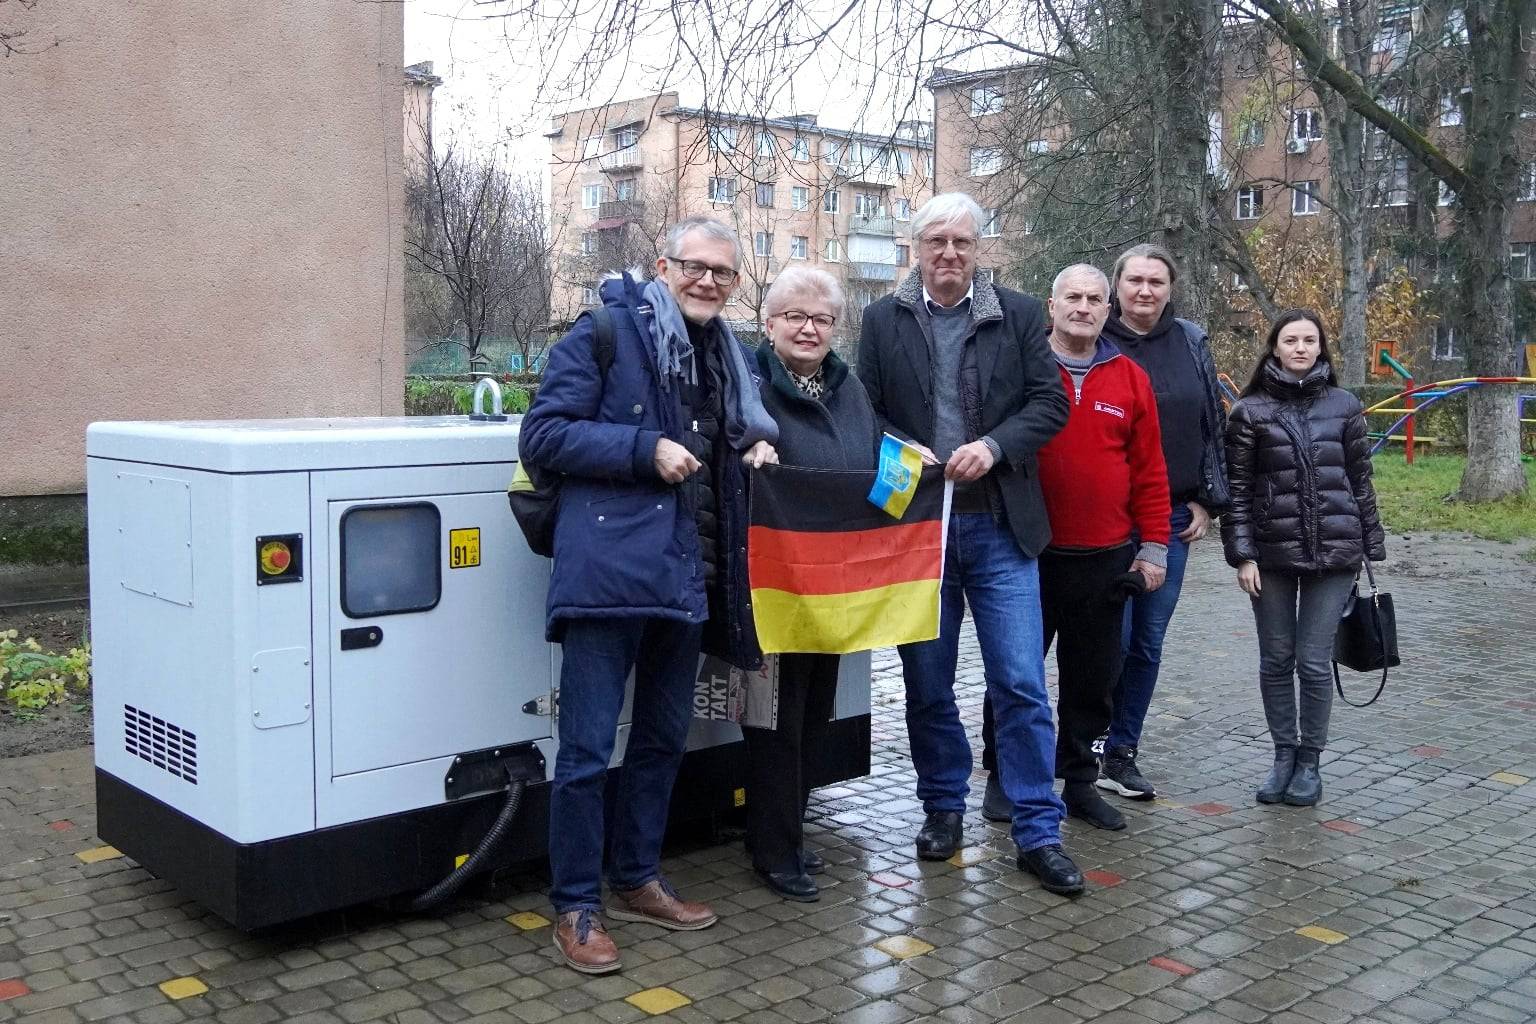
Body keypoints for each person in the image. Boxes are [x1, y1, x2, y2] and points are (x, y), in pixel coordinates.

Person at [519, 216, 779, 974]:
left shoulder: (728, 355)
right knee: (586, 750)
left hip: (687, 578)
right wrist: (640, 449)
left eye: (721, 273)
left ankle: (637, 878)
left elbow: (726, 437)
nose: (706, 281)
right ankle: (574, 906)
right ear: (663, 266)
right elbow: (543, 435)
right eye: (693, 266)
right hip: (608, 580)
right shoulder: (604, 332)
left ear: (735, 283)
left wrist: (753, 441)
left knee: (664, 741)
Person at [857, 192, 1082, 896]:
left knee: (1019, 683)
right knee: (928, 685)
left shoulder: (1015, 314)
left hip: (1001, 528)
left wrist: (993, 445)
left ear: (977, 249)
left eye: (961, 242)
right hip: (920, 530)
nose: (949, 253)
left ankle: (1038, 829)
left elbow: (1051, 403)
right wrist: (899, 447)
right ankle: (943, 809)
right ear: (915, 248)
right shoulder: (882, 318)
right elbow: (863, 411)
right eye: (936, 242)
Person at [978, 264, 1170, 831]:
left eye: (1094, 299)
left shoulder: (1130, 377)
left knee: (1093, 680)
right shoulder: (1021, 370)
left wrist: (1153, 547)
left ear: (1108, 310)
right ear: (1051, 305)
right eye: (1073, 298)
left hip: (1106, 558)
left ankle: (1080, 781)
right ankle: (1004, 777)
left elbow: (1150, 471)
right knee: (1016, 675)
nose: (1083, 308)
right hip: (1026, 552)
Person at [744, 266, 879, 903]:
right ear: (769, 324)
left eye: (821, 318)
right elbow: (725, 439)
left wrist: (919, 465)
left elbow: (876, 452)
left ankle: (790, 832)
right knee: (774, 720)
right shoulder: (748, 383)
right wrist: (752, 447)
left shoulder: (847, 389)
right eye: (794, 315)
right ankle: (772, 851)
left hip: (831, 588)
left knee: (814, 713)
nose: (808, 327)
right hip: (769, 585)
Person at [1221, 309, 1385, 807]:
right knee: (1276, 659)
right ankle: (1282, 756)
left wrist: (1371, 546)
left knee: (1313, 662)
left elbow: (1360, 480)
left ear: (1321, 348)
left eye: (1309, 340)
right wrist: (1242, 555)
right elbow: (1238, 491)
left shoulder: (1345, 405)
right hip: (1269, 556)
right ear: (1274, 348)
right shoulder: (1249, 411)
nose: (1299, 347)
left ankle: (1309, 762)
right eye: (1290, 339)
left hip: (1335, 553)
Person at [1093, 243, 1230, 804]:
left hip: (1170, 517)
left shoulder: (1190, 341)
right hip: (1105, 518)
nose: (1144, 291)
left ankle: (1123, 751)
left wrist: (1205, 500)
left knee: (1147, 640)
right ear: (1117, 286)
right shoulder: (1094, 339)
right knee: (1111, 638)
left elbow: (1207, 425)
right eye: (1135, 281)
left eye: (1156, 282)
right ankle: (1088, 741)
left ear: (1170, 289)